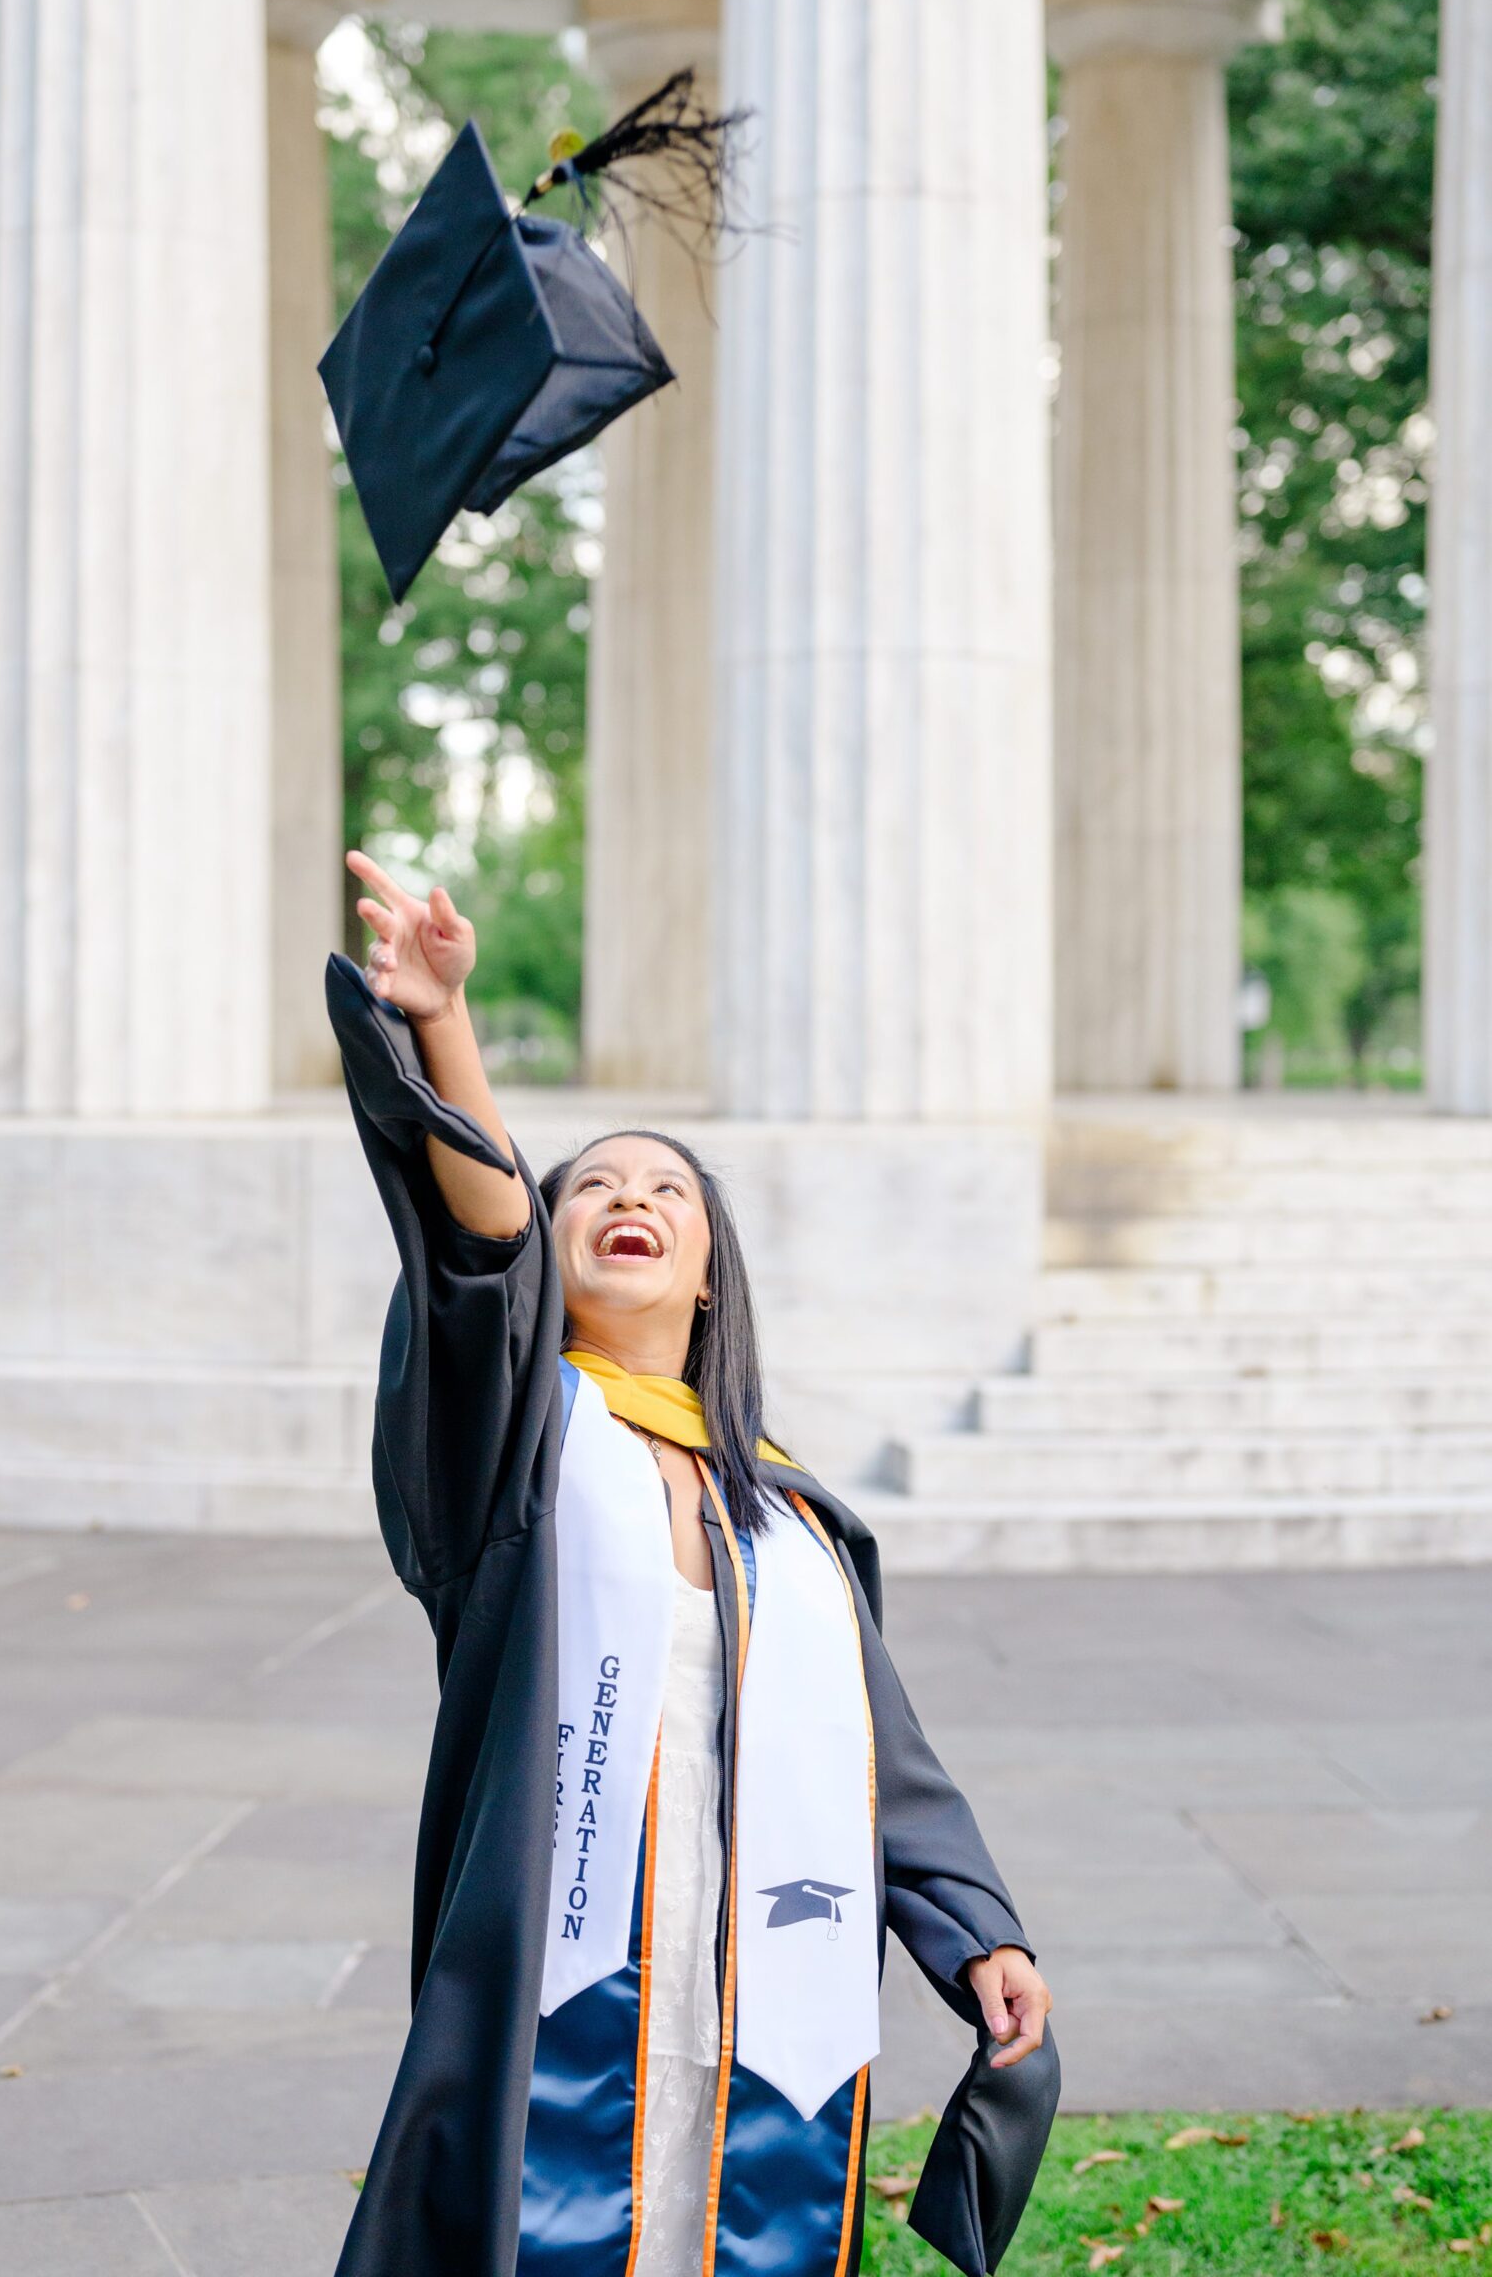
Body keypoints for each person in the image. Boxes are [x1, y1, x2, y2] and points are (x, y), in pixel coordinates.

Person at [328, 848, 1058, 2277]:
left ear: (709, 1265)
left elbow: (885, 1763)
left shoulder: (786, 1521)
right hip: (563, 1960)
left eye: (663, 1185)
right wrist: (444, 1026)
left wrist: (976, 1932)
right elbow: (480, 1266)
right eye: (590, 1185)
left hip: (751, 1966)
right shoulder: (514, 1451)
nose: (626, 1195)